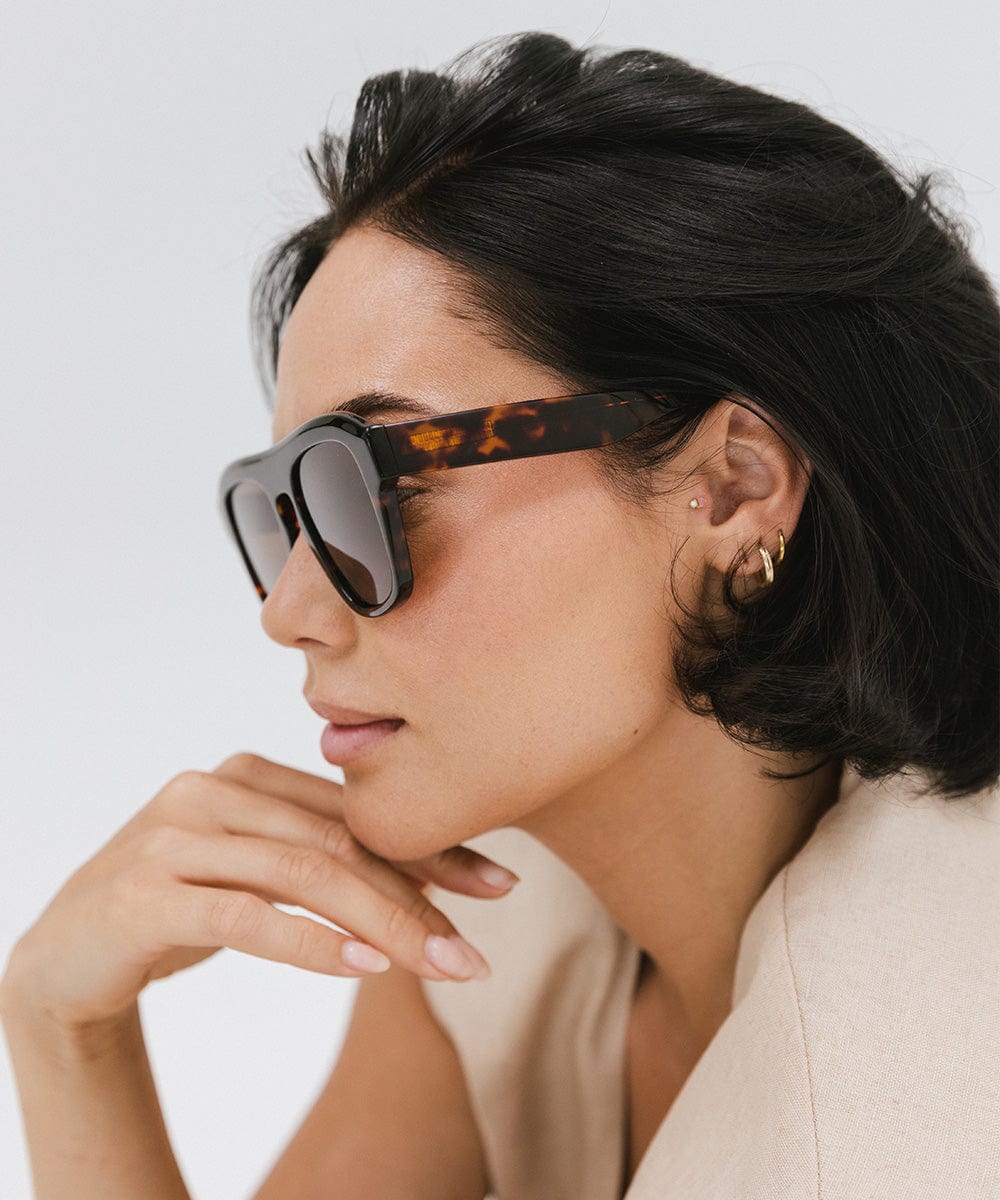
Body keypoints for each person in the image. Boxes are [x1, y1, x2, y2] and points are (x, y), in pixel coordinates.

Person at [2, 30, 997, 1200]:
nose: (287, 611)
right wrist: (65, 1031)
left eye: (379, 486)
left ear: (732, 484)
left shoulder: (920, 1090)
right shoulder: (504, 907)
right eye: (285, 505)